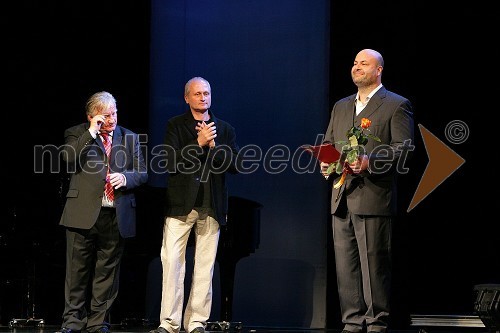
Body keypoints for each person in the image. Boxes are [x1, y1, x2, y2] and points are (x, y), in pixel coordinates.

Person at [320, 49, 414, 333]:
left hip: (373, 196)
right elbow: (329, 144)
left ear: (379, 70)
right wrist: (327, 165)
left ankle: (376, 323)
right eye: (355, 63)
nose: (357, 67)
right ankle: (351, 321)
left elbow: (404, 149)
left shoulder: (396, 105)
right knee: (345, 266)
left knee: (374, 264)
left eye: (364, 63)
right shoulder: (341, 105)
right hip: (341, 197)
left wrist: (370, 162)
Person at [150, 77, 239, 333]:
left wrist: (213, 146)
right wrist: (197, 144)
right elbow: (169, 162)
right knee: (173, 263)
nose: (203, 97)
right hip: (180, 205)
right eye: (198, 94)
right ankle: (169, 322)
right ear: (187, 97)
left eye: (207, 93)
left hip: (212, 205)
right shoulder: (176, 126)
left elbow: (235, 165)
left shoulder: (224, 129)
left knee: (204, 266)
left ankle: (196, 322)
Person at [57, 91, 148, 333]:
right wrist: (91, 133)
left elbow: (142, 172)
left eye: (114, 113)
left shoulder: (129, 137)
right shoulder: (77, 133)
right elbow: (68, 158)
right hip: (82, 214)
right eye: (106, 115)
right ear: (92, 116)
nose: (112, 119)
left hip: (114, 215)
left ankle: (98, 323)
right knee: (76, 272)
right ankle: (73, 322)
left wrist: (125, 177)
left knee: (107, 275)